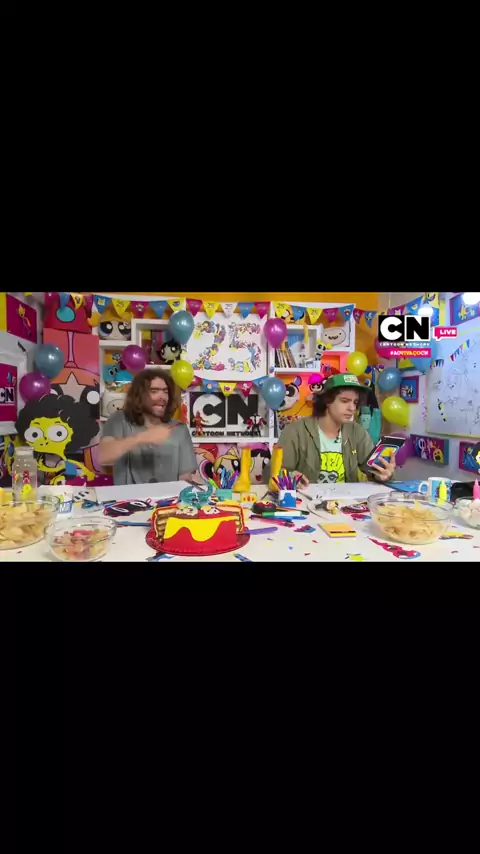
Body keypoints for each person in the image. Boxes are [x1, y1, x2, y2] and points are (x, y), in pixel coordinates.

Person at [273, 373, 396, 487]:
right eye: (345, 401)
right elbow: (273, 473)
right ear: (327, 401)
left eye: (355, 402)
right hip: (306, 500)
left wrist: (384, 474)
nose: (352, 408)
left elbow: (373, 471)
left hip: (347, 501)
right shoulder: (295, 431)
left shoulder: (357, 432)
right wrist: (290, 476)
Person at [99, 369, 198, 484]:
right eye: (154, 391)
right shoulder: (119, 420)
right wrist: (142, 438)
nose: (162, 397)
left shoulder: (179, 428)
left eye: (165, 392)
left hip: (168, 495)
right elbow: (104, 456)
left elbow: (185, 477)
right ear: (139, 395)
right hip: (129, 495)